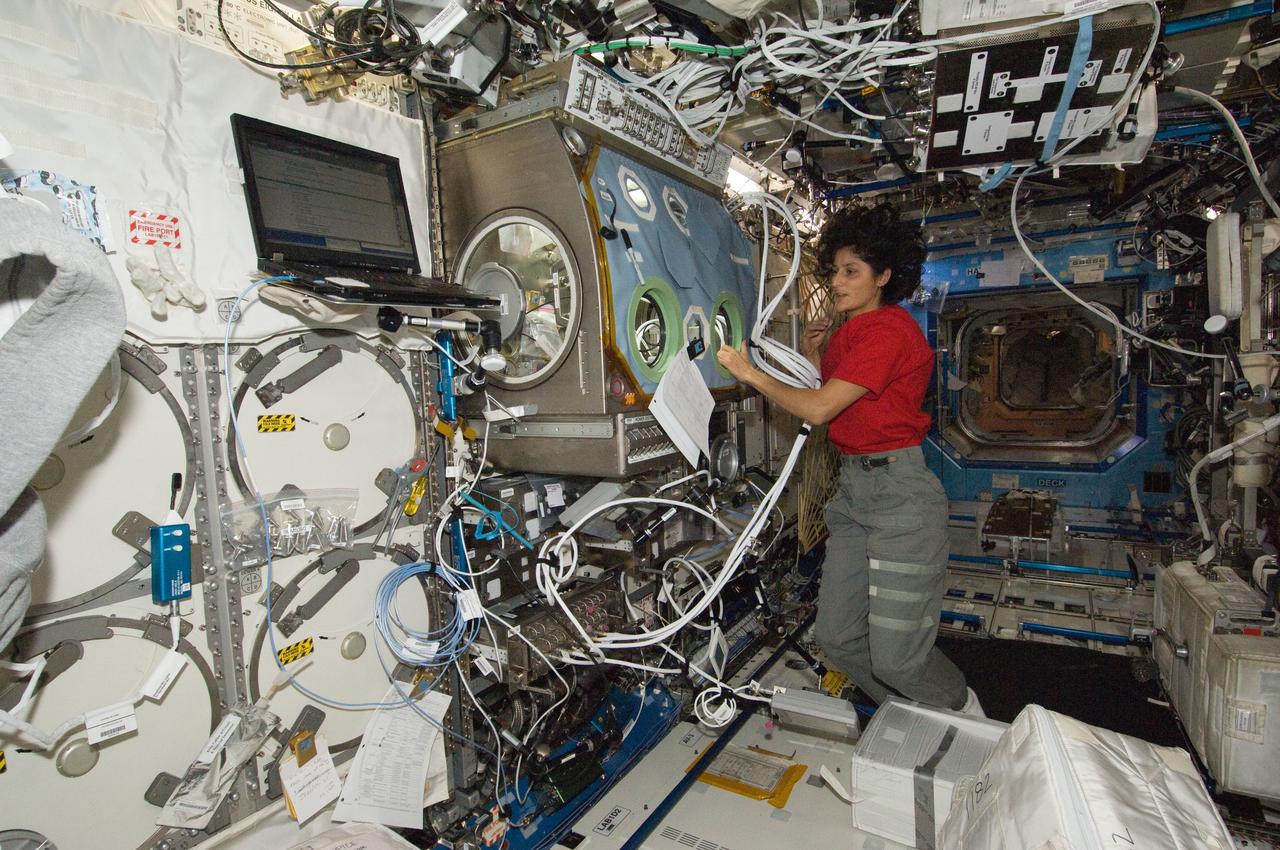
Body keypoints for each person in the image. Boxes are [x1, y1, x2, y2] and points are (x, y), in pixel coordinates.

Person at [716, 204, 979, 714]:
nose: (836, 282)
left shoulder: (890, 331)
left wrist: (749, 374)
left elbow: (818, 407)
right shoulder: (849, 336)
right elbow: (837, 400)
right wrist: (818, 354)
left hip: (899, 497)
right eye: (834, 270)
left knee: (899, 660)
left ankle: (963, 713)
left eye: (850, 271)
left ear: (883, 276)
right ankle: (908, 716)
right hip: (855, 491)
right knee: (836, 641)